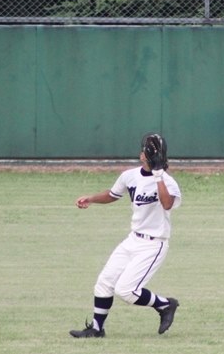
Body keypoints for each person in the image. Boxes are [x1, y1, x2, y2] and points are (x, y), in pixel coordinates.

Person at [69, 132, 182, 338]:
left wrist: (158, 176)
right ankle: (96, 329)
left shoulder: (168, 182)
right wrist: (92, 199)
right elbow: (113, 194)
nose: (142, 153)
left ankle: (166, 305)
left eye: (146, 150)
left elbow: (167, 204)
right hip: (132, 240)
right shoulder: (129, 176)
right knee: (104, 282)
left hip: (154, 244)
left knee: (126, 290)